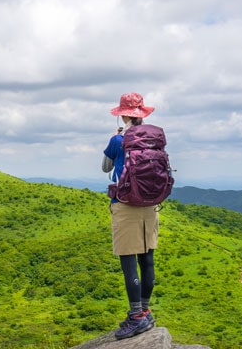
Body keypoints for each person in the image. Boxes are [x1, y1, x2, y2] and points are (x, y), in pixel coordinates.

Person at [102, 92, 158, 340]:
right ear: (142, 114)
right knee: (147, 260)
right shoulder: (155, 138)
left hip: (125, 204)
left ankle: (136, 317)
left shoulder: (118, 139)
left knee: (128, 262)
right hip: (150, 204)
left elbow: (105, 167)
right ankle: (145, 310)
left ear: (123, 114)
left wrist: (115, 141)